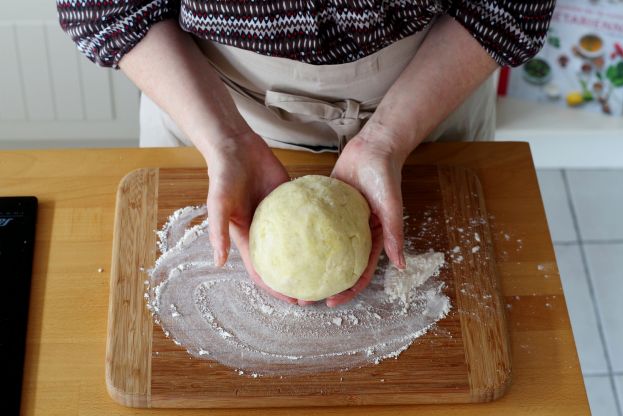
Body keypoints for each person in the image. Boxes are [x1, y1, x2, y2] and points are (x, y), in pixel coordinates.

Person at [57, 0, 554, 306]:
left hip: (431, 88)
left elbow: (507, 5)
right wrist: (225, 141)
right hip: (203, 100)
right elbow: (106, 7)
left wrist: (386, 139)